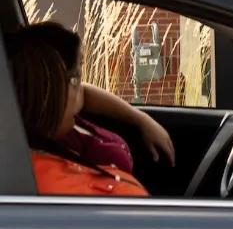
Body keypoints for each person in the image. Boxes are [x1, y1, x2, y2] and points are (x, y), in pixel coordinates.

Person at [6, 22, 175, 196]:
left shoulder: (62, 121)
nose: (81, 87)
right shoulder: (49, 162)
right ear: (53, 92)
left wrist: (141, 118)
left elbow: (85, 92)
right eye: (76, 78)